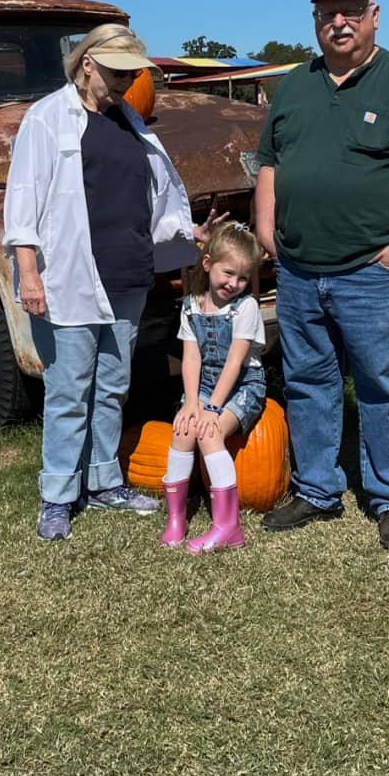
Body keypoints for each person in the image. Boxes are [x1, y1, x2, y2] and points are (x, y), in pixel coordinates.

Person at [253, 0, 389, 551]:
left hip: (372, 273)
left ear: (373, 16)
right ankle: (318, 489)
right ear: (315, 20)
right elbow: (269, 160)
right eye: (327, 12)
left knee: (381, 383)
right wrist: (266, 226)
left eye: (350, 10)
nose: (338, 22)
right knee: (308, 381)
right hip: (298, 270)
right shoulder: (294, 85)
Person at [4, 24, 219, 544]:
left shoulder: (130, 121)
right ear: (87, 65)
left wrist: (185, 231)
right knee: (69, 390)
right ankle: (57, 495)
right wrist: (29, 273)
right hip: (71, 277)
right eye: (117, 71)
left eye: (132, 72)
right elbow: (23, 201)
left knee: (112, 388)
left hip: (127, 275)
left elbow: (148, 198)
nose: (126, 80)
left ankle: (103, 482)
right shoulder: (48, 119)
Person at [160, 222, 268, 553]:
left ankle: (228, 526)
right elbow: (190, 359)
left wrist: (211, 409)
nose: (234, 284)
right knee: (183, 429)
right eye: (228, 273)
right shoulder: (191, 305)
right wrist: (192, 403)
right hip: (205, 383)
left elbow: (235, 364)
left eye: (243, 278)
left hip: (242, 386)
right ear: (208, 264)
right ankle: (176, 519)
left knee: (208, 433)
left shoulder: (245, 307)